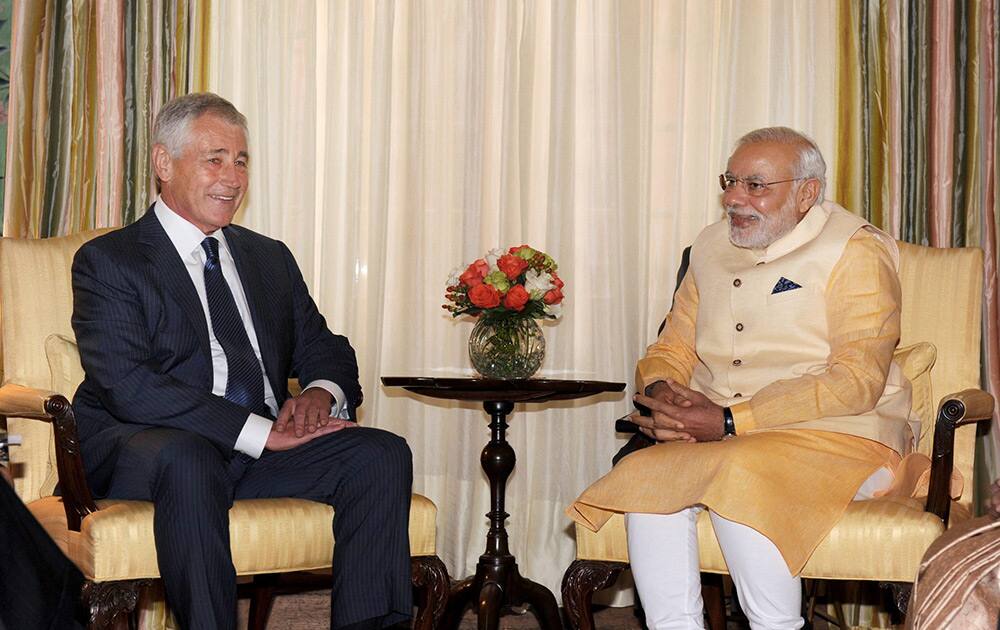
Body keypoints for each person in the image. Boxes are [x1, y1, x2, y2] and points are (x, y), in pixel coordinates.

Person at [71, 93, 412, 630]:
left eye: (242, 160)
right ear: (164, 164)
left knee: (380, 453)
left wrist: (318, 396)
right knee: (189, 458)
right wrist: (258, 430)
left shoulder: (267, 257)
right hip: (149, 445)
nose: (232, 176)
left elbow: (325, 347)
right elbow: (129, 387)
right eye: (215, 158)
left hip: (254, 451)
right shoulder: (112, 260)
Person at [569, 127, 919, 630]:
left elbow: (856, 380)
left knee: (743, 473)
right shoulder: (710, 246)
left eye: (755, 186)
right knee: (650, 478)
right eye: (730, 182)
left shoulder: (856, 250)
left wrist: (733, 421)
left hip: (841, 434)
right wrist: (665, 395)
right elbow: (671, 347)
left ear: (806, 193)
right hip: (721, 434)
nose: (734, 198)